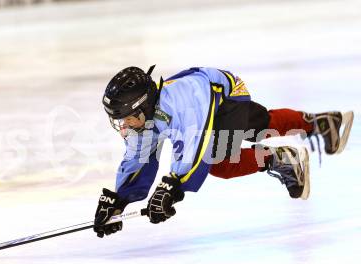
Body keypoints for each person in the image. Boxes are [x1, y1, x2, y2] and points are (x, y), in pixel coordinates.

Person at [93, 65, 354, 238]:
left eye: (127, 118)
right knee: (262, 126)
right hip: (211, 87)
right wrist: (119, 200)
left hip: (224, 96)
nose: (124, 126)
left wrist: (172, 187)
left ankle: (282, 158)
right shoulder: (144, 118)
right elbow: (138, 159)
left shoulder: (183, 108)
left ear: (144, 106)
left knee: (217, 161)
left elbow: (195, 148)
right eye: (120, 121)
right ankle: (321, 123)